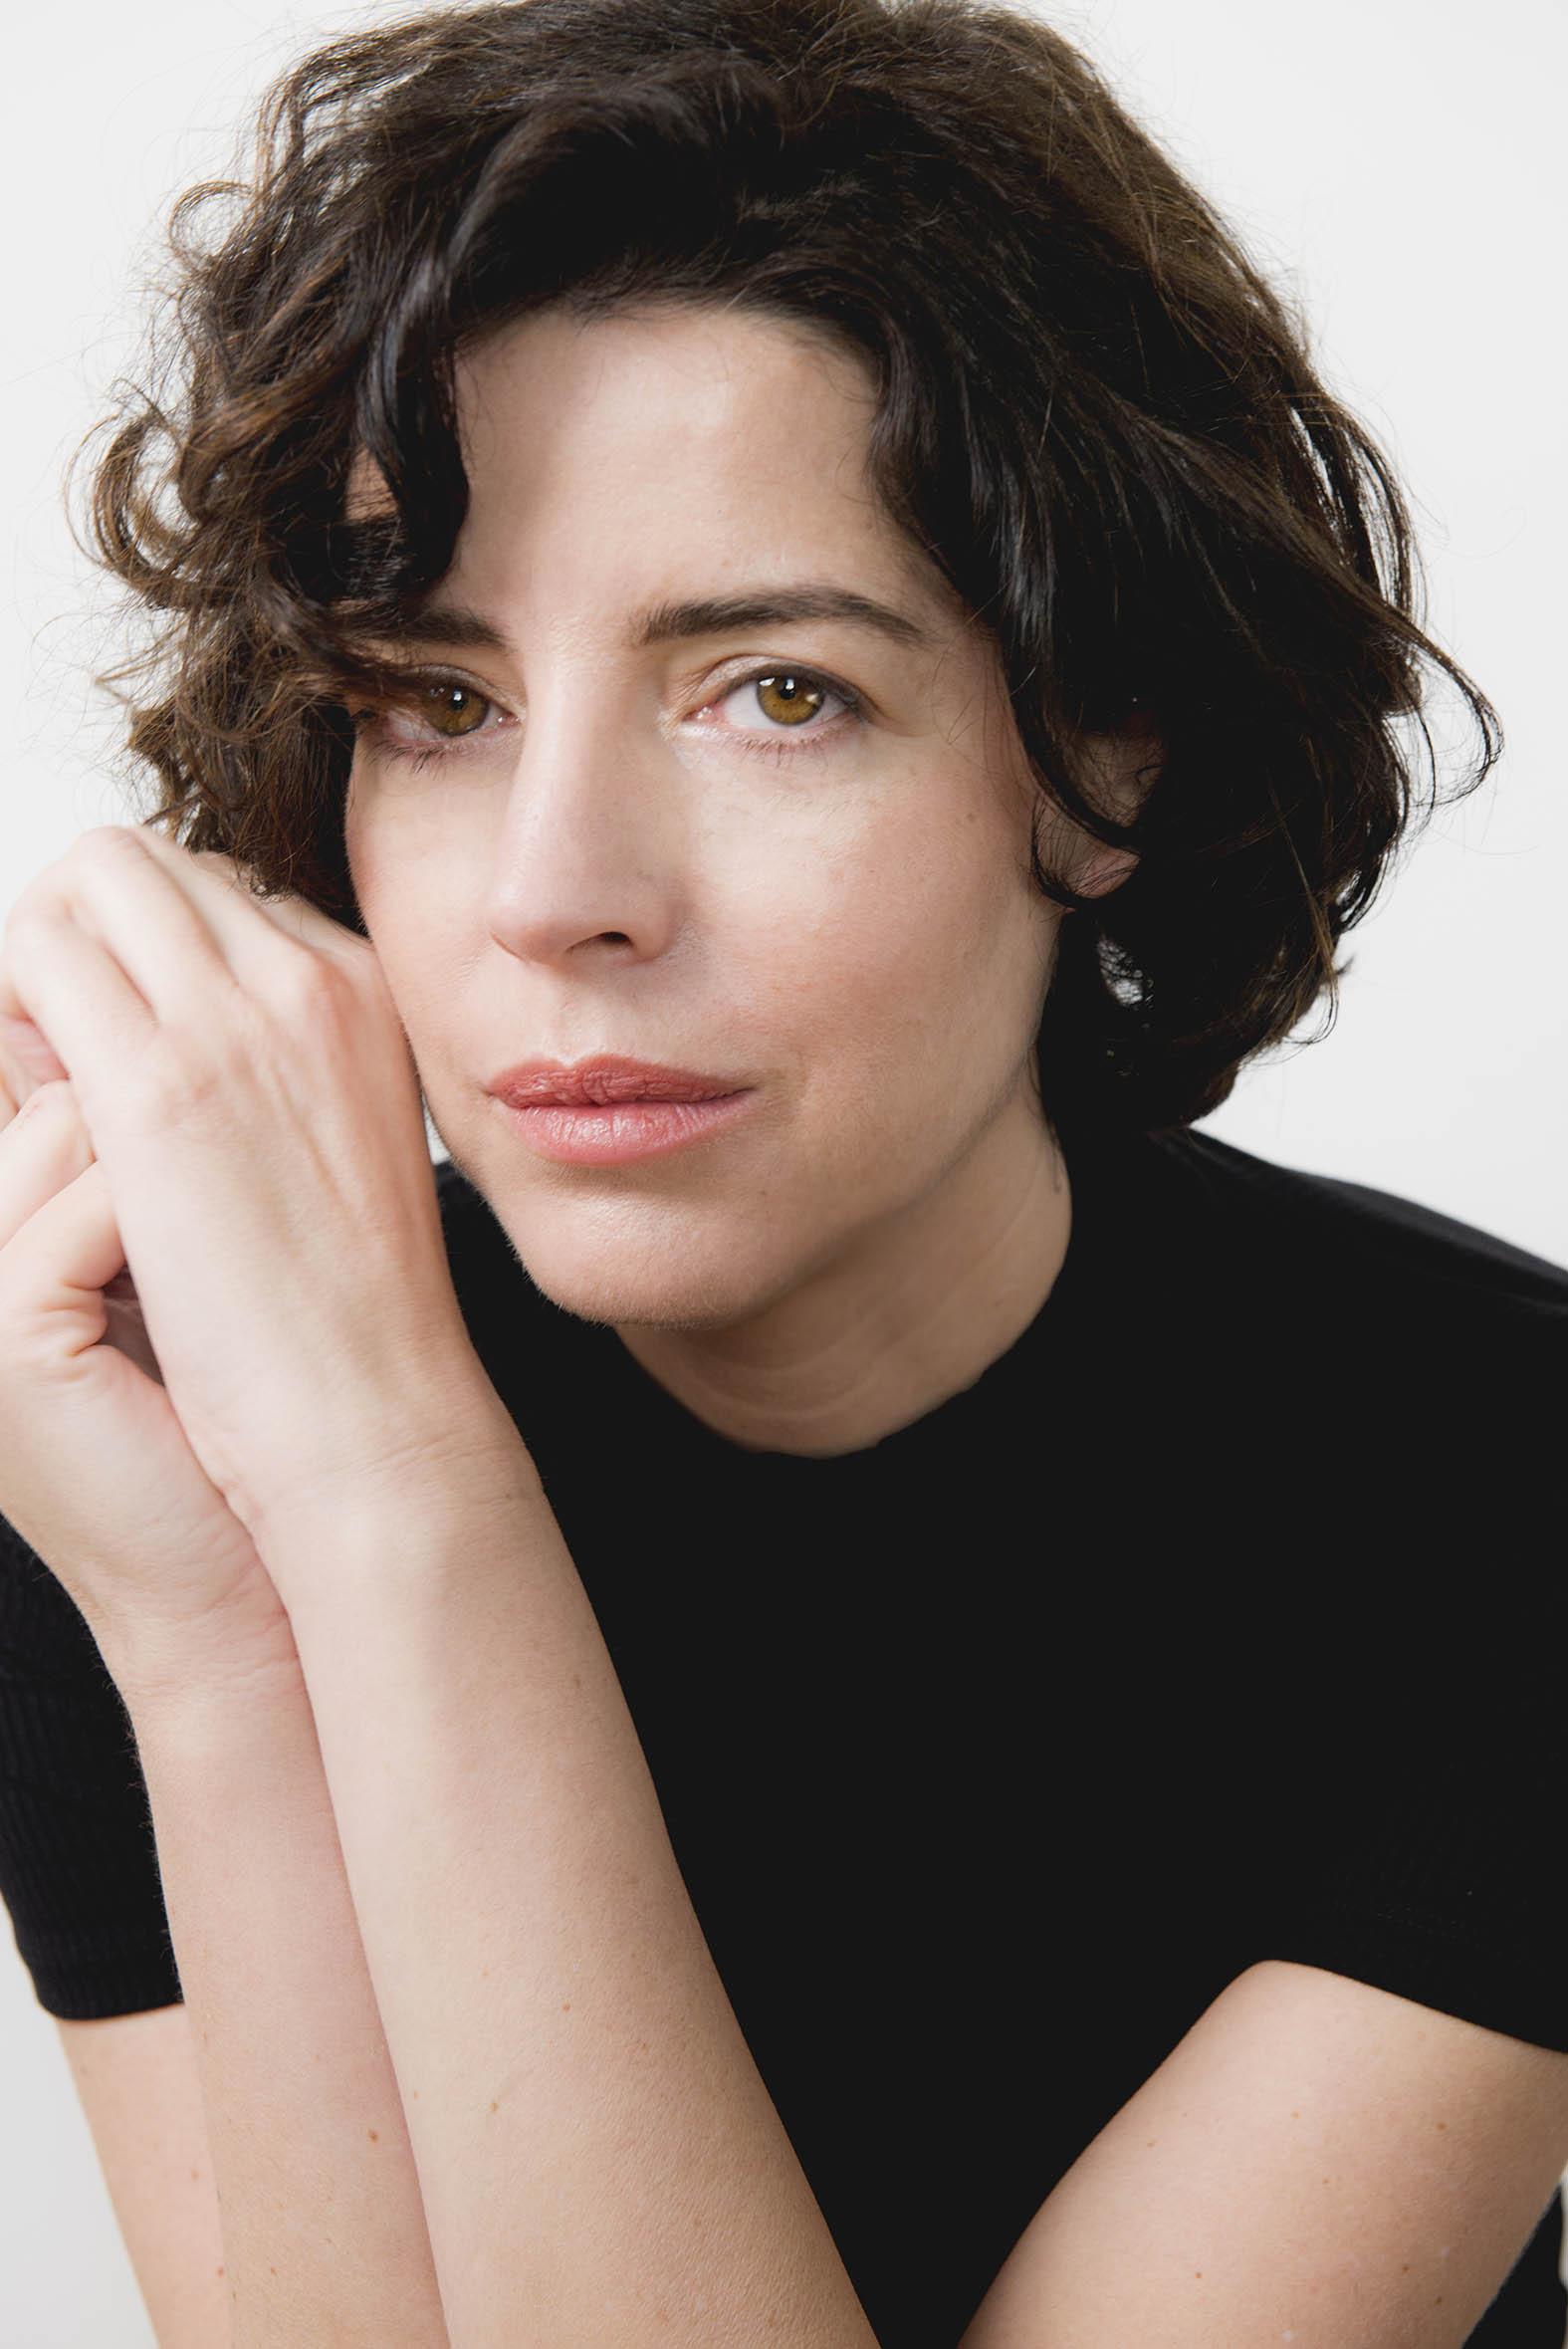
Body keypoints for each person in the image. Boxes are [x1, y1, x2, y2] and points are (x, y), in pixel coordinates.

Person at [2, 0, 1565, 2341]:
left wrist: (396, 1498)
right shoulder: (140, 1467)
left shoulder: (1513, 1490)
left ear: (1101, 750)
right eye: (438, 700)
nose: (556, 893)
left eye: (775, 692)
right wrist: (219, 1638)